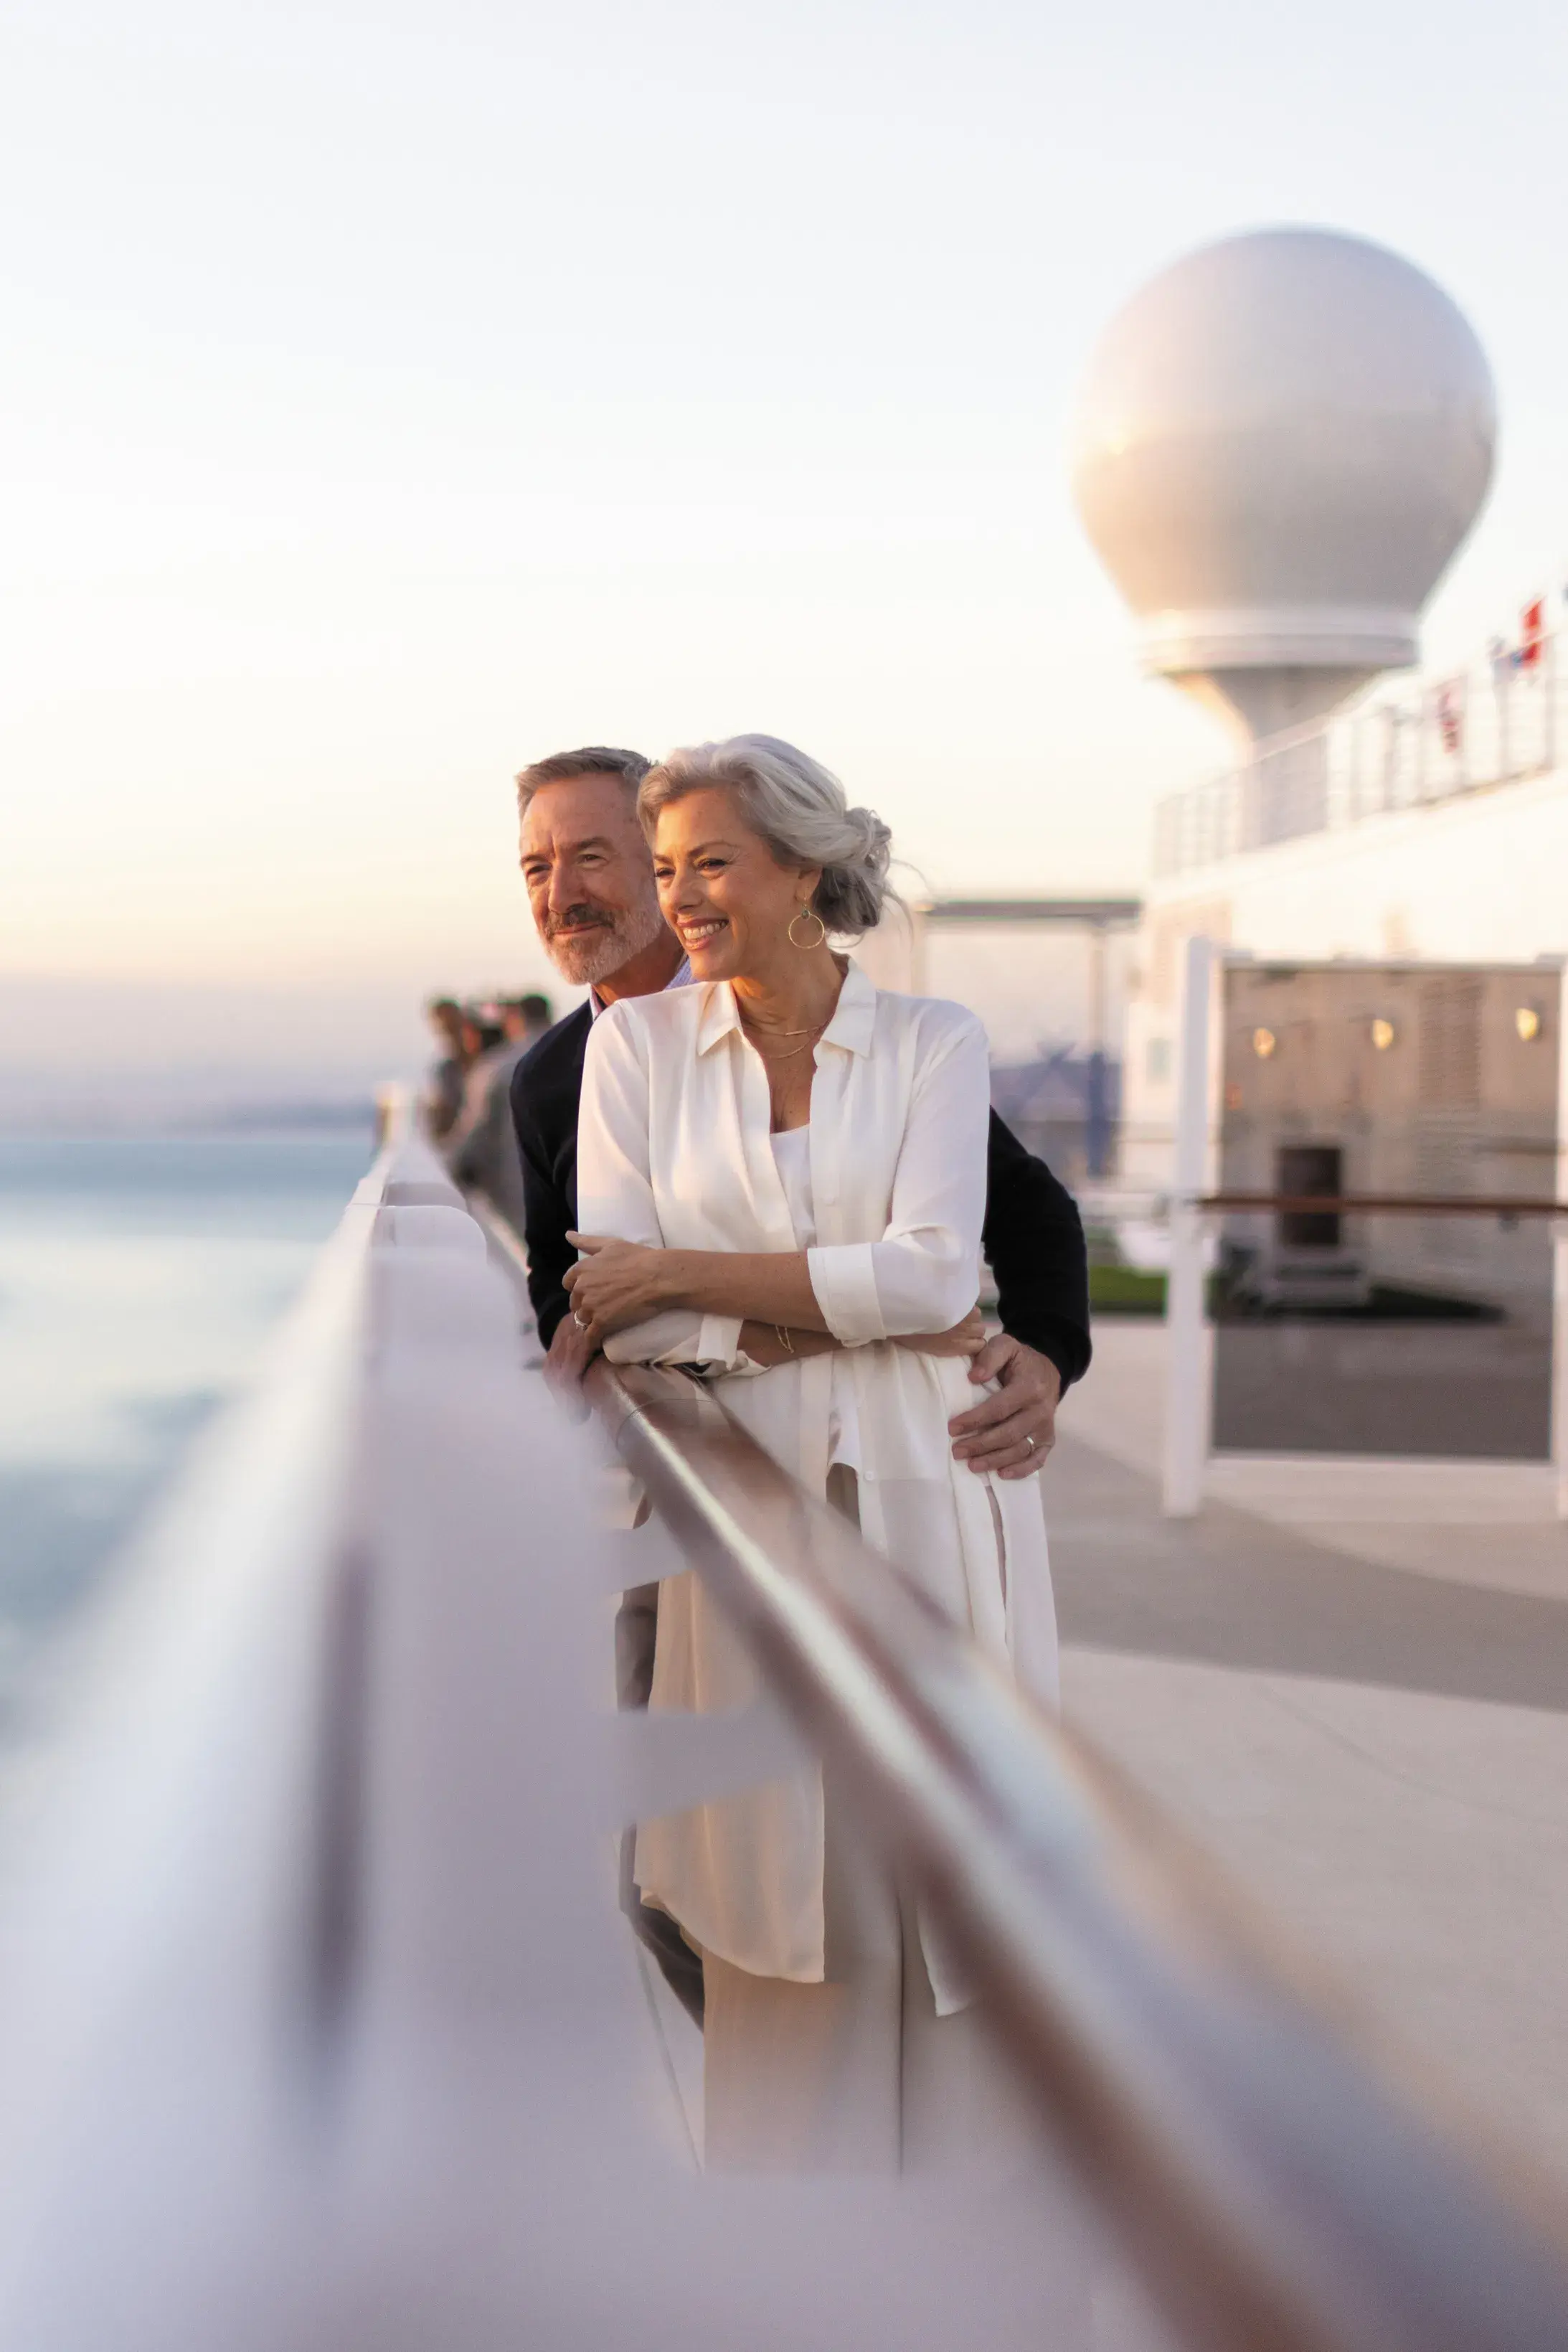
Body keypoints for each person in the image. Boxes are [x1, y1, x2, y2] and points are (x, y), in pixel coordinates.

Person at [565, 735, 1059, 2170]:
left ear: (800, 868)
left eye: (710, 861)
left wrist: (697, 1277)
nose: (684, 897)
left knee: (942, 1884)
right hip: (748, 1518)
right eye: (666, 870)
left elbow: (933, 1278)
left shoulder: (930, 1042)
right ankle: (789, 2264)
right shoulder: (634, 1048)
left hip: (935, 1494)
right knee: (773, 1887)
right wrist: (751, 1310)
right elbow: (617, 1301)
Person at [509, 748, 1090, 1452]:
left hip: (913, 1451)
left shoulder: (900, 1039)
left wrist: (1046, 1354)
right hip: (700, 1463)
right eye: (536, 868)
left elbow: (1022, 1215)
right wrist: (880, 1319)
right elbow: (578, 1294)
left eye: (590, 856)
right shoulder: (547, 1078)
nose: (559, 891)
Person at [443, 994, 552, 1238]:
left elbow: (471, 1144)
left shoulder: (496, 1069)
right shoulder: (588, 1054)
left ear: (515, 1020)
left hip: (521, 1206)